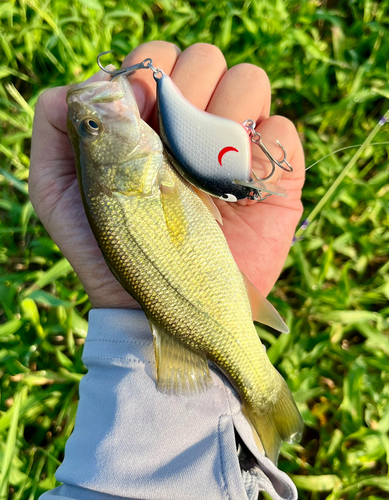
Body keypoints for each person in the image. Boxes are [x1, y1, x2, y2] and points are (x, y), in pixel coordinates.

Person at [29, 41, 305, 500]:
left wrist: (128, 319)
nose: (92, 118)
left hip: (195, 297)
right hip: (206, 298)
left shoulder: (136, 178)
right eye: (93, 128)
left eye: (90, 127)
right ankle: (265, 397)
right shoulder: (132, 181)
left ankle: (265, 402)